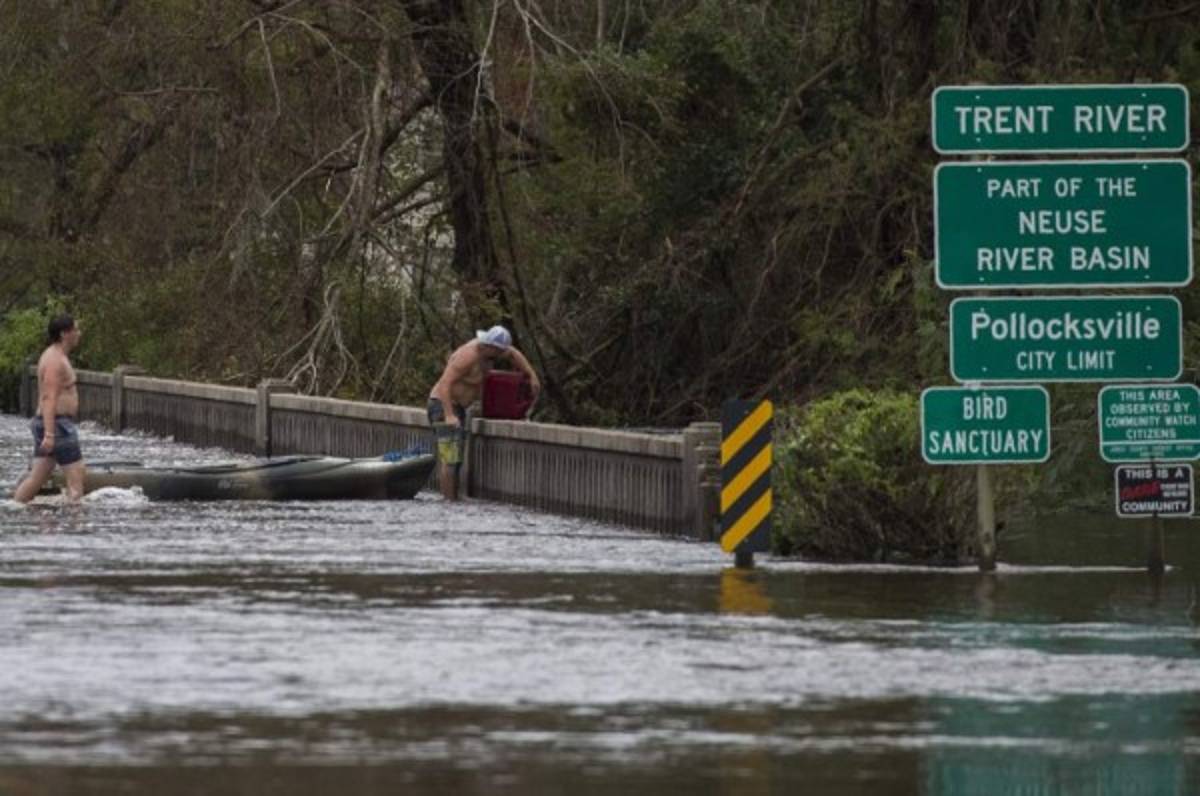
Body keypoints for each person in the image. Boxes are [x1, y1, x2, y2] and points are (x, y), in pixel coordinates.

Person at [427, 325, 540, 500]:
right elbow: (444, 384)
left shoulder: (493, 352)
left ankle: (453, 499)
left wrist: (531, 375)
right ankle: (448, 505)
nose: (499, 356)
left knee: (456, 460)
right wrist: (449, 415)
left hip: (460, 408)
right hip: (443, 405)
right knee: (450, 459)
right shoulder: (468, 356)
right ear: (488, 345)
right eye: (496, 351)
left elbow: (513, 354)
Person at [14, 314, 86, 504]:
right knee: (76, 479)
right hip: (57, 425)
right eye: (75, 329)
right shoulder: (54, 360)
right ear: (64, 334)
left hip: (53, 424)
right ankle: (75, 525)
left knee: (37, 477)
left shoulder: (57, 356)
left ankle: (15, 506)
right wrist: (50, 434)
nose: (79, 333)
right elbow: (49, 398)